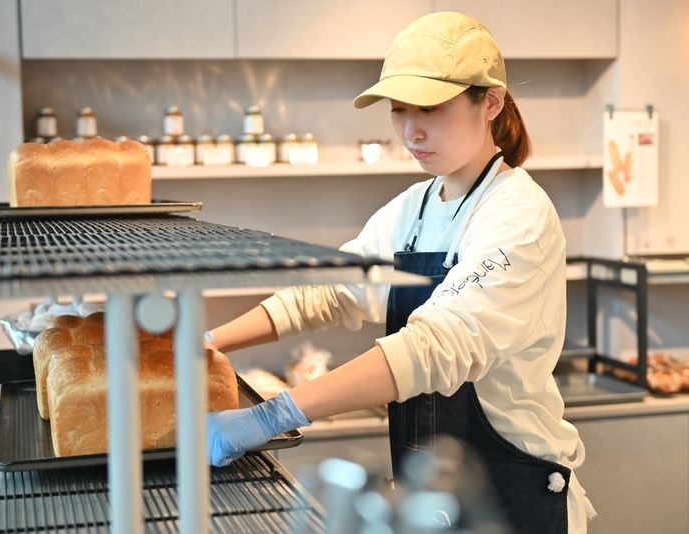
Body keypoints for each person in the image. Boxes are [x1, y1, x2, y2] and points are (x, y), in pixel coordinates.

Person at [205, 11, 596, 534]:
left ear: (491, 102)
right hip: (433, 487)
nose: (412, 131)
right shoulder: (414, 207)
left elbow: (435, 346)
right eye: (399, 110)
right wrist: (210, 342)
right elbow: (331, 293)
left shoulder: (518, 214)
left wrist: (273, 415)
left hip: (513, 490)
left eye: (430, 108)